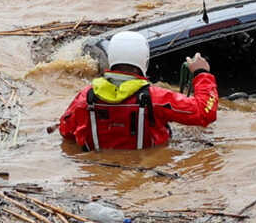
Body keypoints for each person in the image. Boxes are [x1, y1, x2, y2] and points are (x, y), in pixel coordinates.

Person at [59, 30, 218, 153]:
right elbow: (204, 112)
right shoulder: (156, 98)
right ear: (145, 59)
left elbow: (66, 132)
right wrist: (201, 74)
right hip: (148, 168)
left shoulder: (85, 98)